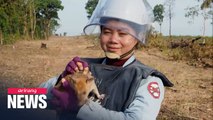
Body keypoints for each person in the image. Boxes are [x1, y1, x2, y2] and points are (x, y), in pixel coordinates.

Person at [39, 0, 173, 119]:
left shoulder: (145, 80)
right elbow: (32, 98)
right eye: (107, 32)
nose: (113, 40)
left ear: (138, 36)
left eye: (123, 33)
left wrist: (81, 108)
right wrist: (63, 80)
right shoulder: (85, 68)